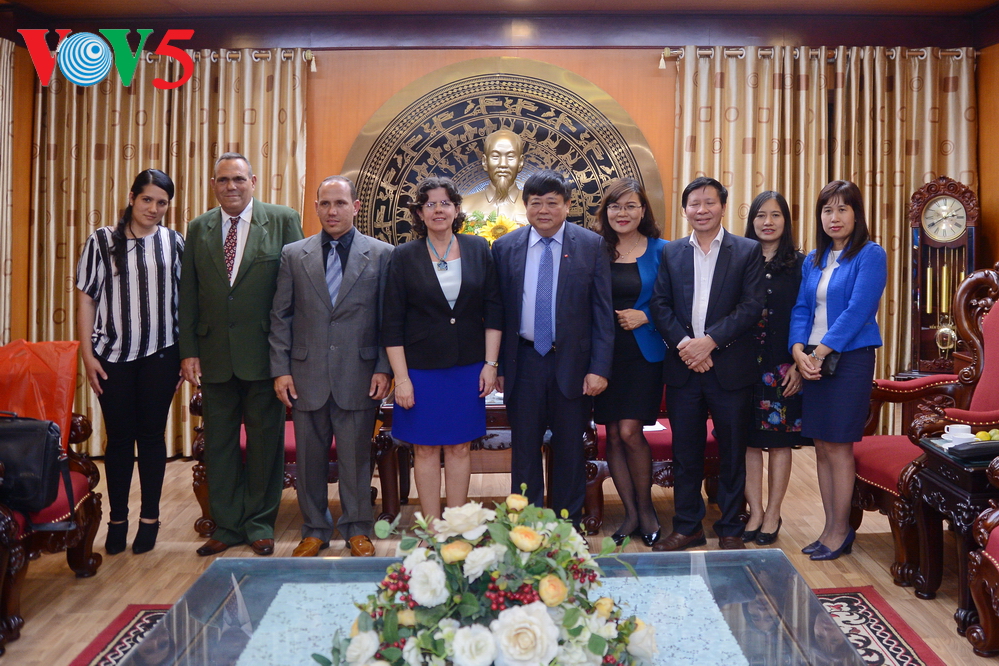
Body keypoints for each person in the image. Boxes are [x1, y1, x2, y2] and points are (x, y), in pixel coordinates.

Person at [179, 152, 304, 557]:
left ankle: (260, 523)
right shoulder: (198, 228)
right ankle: (228, 525)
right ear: (213, 184)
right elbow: (189, 293)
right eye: (222, 180)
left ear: (253, 181)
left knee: (265, 442)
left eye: (238, 178)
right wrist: (188, 351)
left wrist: (290, 355)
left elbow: (297, 291)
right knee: (219, 444)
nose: (230, 186)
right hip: (214, 354)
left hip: (266, 355)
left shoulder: (282, 220)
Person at [270, 175, 394, 557]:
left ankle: (357, 528)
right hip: (305, 373)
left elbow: (389, 319)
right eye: (325, 204)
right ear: (316, 208)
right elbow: (281, 315)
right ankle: (314, 530)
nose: (332, 211)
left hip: (359, 372)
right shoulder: (294, 254)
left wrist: (384, 367)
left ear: (356, 207)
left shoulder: (382, 254)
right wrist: (281, 369)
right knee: (310, 459)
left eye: (340, 203)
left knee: (356, 457)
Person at [649, 176, 765, 551]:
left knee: (731, 452)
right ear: (685, 210)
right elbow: (660, 305)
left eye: (709, 203)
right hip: (684, 368)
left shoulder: (746, 250)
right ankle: (687, 527)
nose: (702, 210)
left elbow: (751, 306)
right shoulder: (671, 253)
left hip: (729, 368)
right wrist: (688, 347)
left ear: (723, 207)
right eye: (694, 204)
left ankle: (730, 527)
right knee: (686, 452)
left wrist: (710, 342)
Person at [492, 169, 614, 524]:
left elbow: (602, 313)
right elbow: (498, 312)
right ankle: (526, 527)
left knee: (569, 449)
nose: (543, 210)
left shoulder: (591, 246)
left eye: (551, 203)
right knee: (524, 451)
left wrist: (599, 368)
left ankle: (566, 525)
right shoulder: (505, 248)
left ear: (567, 205)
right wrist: (499, 367)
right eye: (535, 203)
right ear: (525, 206)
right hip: (523, 360)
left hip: (573, 363)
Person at [382, 176, 503, 521]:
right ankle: (432, 527)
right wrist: (401, 379)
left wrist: (491, 364)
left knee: (460, 446)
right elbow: (391, 323)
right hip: (420, 370)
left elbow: (495, 310)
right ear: (419, 213)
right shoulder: (403, 256)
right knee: (424, 448)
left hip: (467, 367)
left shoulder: (479, 248)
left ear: (456, 209)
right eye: (430, 204)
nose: (438, 210)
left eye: (445, 203)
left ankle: (456, 527)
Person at [76, 168, 183, 555]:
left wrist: (186, 357)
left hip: (162, 354)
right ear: (132, 198)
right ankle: (117, 520)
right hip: (112, 357)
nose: (153, 208)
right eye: (147, 199)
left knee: (152, 437)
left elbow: (187, 301)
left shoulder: (174, 242)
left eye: (162, 203)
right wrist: (87, 355)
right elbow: (86, 297)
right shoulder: (102, 240)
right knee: (119, 438)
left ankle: (150, 519)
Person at [790, 180, 886, 561]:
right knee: (821, 445)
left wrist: (820, 351)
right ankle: (829, 527)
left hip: (849, 360)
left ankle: (840, 530)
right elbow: (802, 308)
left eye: (843, 209)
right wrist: (798, 350)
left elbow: (858, 310)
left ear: (856, 214)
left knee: (839, 445)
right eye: (827, 210)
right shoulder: (814, 258)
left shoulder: (870, 255)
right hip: (813, 358)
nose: (834, 217)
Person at [592, 177, 667, 547]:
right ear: (606, 211)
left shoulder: (663, 250)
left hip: (643, 354)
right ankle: (631, 514)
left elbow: (676, 300)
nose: (622, 213)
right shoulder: (594, 249)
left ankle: (647, 510)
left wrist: (646, 316)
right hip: (603, 355)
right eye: (615, 206)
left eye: (630, 206)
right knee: (613, 435)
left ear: (643, 210)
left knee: (629, 432)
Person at [742, 191, 811, 546]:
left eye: (775, 215)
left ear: (786, 221)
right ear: (751, 220)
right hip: (741, 367)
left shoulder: (802, 264)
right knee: (748, 444)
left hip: (783, 368)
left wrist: (800, 364)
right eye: (760, 215)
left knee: (780, 443)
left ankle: (773, 513)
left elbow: (810, 316)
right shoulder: (739, 259)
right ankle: (754, 511)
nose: (767, 222)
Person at [461, 129, 528, 223]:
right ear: (485, 162)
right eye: (496, 156)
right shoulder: (463, 206)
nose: (503, 164)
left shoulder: (536, 208)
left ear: (520, 162)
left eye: (510, 157)